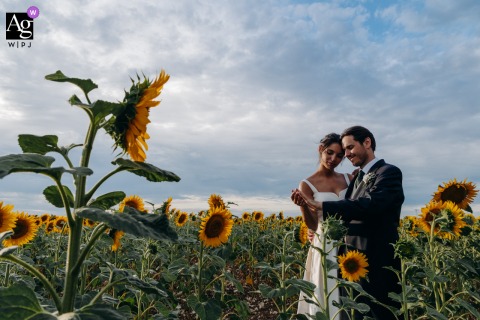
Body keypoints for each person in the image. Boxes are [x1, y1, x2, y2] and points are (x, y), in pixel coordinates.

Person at [292, 125, 404, 320]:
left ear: (367, 143)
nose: (342, 156)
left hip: (374, 254)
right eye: (338, 152)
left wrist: (321, 206)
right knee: (347, 304)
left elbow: (369, 204)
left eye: (347, 150)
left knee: (380, 308)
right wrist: (316, 227)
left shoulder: (387, 172)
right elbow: (325, 218)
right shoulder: (356, 179)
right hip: (343, 251)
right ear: (321, 149)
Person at [294, 133, 353, 318]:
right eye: (329, 153)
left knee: (350, 294)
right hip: (325, 244)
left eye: (339, 156)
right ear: (320, 149)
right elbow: (312, 224)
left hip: (350, 241)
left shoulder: (349, 178)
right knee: (326, 291)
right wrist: (303, 206)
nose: (333, 159)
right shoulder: (307, 184)